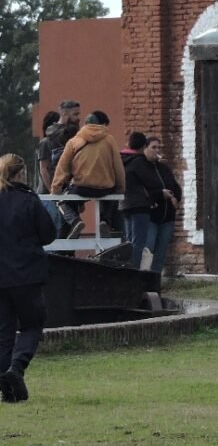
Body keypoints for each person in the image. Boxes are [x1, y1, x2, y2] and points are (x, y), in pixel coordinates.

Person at [0, 154, 57, 403]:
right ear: (21, 173)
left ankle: (7, 388)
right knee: (32, 325)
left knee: (4, 332)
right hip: (27, 275)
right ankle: (17, 368)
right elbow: (48, 234)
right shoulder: (28, 200)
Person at [50, 111, 126, 239]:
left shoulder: (74, 141)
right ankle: (105, 221)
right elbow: (118, 166)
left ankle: (75, 221)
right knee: (110, 198)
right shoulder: (109, 140)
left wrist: (55, 189)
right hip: (105, 187)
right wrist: (121, 188)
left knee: (63, 201)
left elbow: (62, 168)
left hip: (81, 187)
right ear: (102, 124)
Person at [142, 137, 182, 274]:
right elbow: (143, 192)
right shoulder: (142, 168)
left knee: (161, 252)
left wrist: (176, 198)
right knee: (148, 249)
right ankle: (145, 278)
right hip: (151, 217)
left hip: (167, 217)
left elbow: (175, 186)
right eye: (154, 147)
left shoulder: (164, 168)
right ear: (145, 149)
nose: (157, 150)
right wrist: (160, 194)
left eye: (159, 147)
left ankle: (156, 279)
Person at [119, 132, 151, 267]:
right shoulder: (140, 162)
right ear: (144, 146)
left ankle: (127, 269)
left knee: (129, 242)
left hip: (124, 204)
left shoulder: (121, 159)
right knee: (138, 242)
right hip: (139, 204)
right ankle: (134, 271)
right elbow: (149, 182)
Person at [35, 111, 61, 231]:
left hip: (59, 193)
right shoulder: (45, 143)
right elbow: (43, 169)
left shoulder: (62, 143)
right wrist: (52, 191)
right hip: (47, 193)